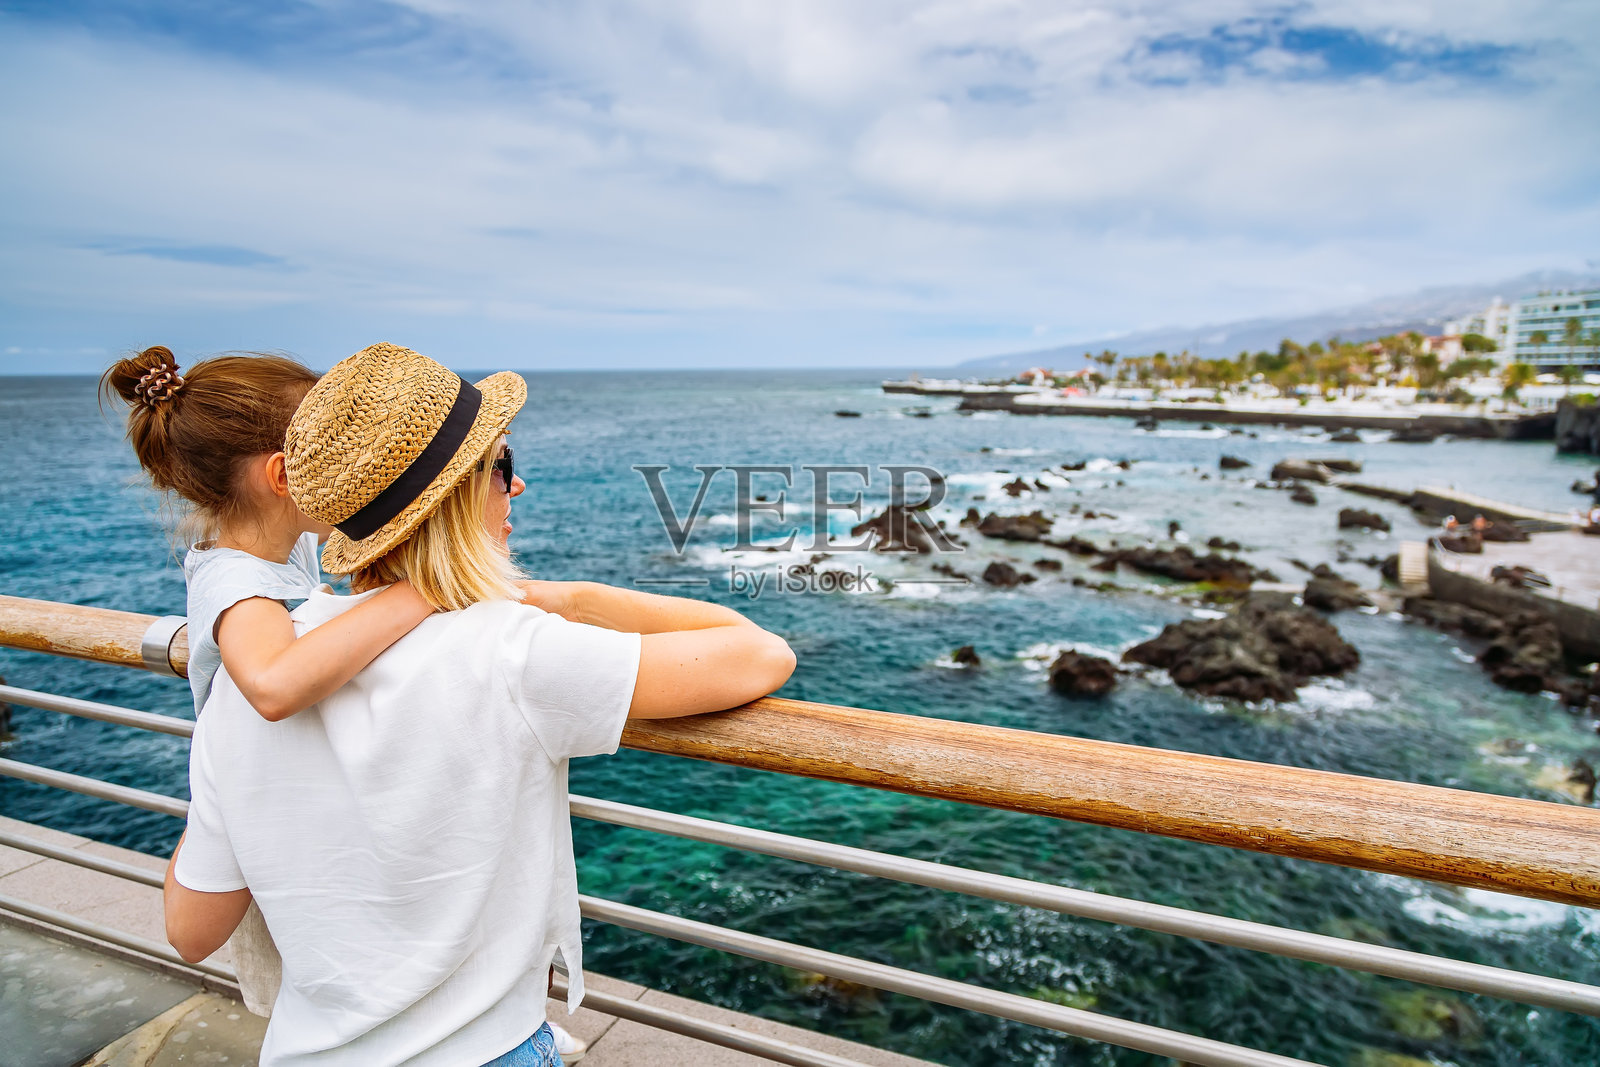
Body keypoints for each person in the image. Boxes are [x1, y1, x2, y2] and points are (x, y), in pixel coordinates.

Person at [163, 342, 796, 1066]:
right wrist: (560, 595)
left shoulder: (245, 677)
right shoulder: (512, 649)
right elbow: (761, 652)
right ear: (460, 492)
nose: (516, 488)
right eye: (504, 464)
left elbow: (191, 926)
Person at [104, 346, 438, 1018]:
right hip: (271, 855)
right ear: (285, 475)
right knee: (320, 1003)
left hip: (290, 815)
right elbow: (275, 683)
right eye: (336, 450)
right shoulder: (239, 585)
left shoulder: (279, 546)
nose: (354, 464)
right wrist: (428, 592)